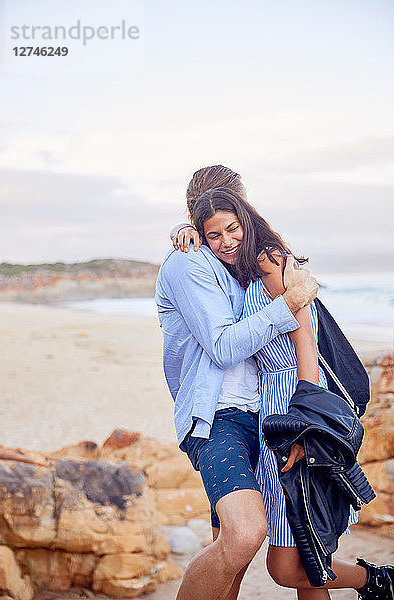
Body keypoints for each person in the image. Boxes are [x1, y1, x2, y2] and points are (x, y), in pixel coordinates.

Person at [157, 165, 394, 600]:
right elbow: (226, 344)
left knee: (293, 552)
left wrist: (305, 424)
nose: (227, 238)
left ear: (246, 212)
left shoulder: (267, 259)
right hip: (246, 415)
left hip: (284, 414)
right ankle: (377, 581)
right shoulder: (208, 265)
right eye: (213, 231)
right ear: (198, 224)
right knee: (242, 548)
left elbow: (304, 339)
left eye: (234, 224)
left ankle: (377, 581)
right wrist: (187, 230)